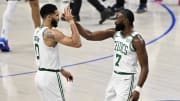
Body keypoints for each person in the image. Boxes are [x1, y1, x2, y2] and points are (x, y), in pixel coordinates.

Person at [75, 8, 149, 101]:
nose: (115, 22)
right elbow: (89, 35)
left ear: (126, 21)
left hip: (127, 80)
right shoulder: (115, 33)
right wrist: (74, 23)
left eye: (118, 18)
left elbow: (145, 67)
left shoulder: (137, 40)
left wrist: (138, 89)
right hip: (114, 77)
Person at [33, 4, 81, 101]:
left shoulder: (37, 31)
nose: (59, 18)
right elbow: (77, 43)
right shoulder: (52, 33)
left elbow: (46, 56)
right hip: (51, 78)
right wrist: (71, 21)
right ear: (49, 17)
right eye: (56, 15)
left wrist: (61, 70)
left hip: (39, 76)